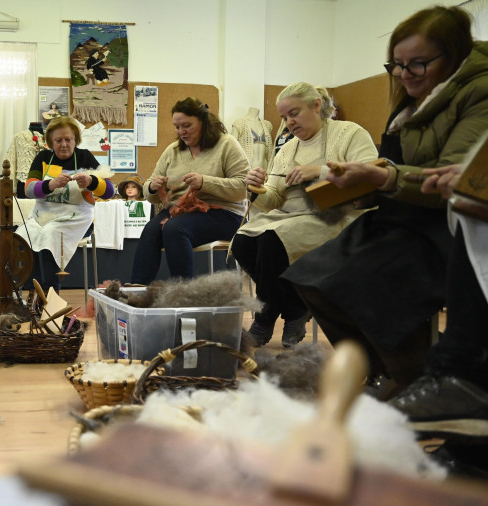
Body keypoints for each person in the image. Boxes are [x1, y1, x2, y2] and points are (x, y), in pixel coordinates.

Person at [282, 6, 488, 392]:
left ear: (454, 55)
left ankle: (414, 384)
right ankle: (384, 373)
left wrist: (381, 176)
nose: (404, 74)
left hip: (450, 225)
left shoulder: (478, 93)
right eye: (397, 64)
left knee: (364, 283)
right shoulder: (412, 97)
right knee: (309, 279)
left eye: (417, 65)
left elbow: (453, 178)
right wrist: (361, 187)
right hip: (400, 215)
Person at [233, 83, 378, 348]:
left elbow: (370, 177)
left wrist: (321, 172)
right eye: (285, 117)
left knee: (271, 240)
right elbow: (274, 200)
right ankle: (296, 308)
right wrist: (255, 187)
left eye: (294, 113)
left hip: (336, 217)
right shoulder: (287, 149)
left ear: (317, 105)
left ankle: (264, 317)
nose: (289, 122)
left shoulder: (349, 133)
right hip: (290, 216)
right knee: (242, 241)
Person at [388, 161, 488, 433]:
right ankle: (413, 376)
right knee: (325, 273)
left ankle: (457, 375)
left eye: (294, 113)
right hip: (410, 211)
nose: (290, 121)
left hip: (430, 218)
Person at [131, 97, 249, 284]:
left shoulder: (227, 144)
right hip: (181, 212)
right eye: (177, 127)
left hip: (225, 214)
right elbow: (150, 192)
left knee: (174, 227)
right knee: (151, 230)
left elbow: (244, 189)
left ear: (203, 121)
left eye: (186, 125)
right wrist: (153, 187)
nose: (181, 132)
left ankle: (184, 293)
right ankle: (137, 289)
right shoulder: (173, 151)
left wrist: (205, 182)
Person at [15, 116, 115, 293]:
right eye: (58, 140)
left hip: (76, 219)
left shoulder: (85, 157)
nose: (63, 144)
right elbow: (28, 190)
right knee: (22, 236)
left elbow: (109, 191)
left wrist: (92, 181)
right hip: (43, 215)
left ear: (75, 140)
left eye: (68, 139)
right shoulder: (43, 158)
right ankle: (30, 291)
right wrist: (51, 184)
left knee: (50, 234)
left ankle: (50, 294)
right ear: (50, 142)